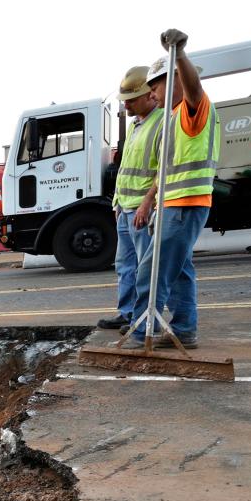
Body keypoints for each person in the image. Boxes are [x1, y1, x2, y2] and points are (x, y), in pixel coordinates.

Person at [126, 28, 218, 350]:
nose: (152, 95)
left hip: (184, 204)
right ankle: (184, 329)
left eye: (156, 86)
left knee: (151, 270)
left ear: (177, 78)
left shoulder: (193, 109)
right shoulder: (175, 116)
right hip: (177, 204)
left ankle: (141, 333)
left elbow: (193, 89)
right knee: (179, 271)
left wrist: (180, 54)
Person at [99, 65, 162, 332]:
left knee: (145, 267)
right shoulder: (137, 126)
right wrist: (116, 203)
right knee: (126, 265)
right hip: (124, 208)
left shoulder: (161, 123)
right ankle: (127, 313)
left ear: (150, 95)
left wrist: (147, 202)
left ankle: (142, 317)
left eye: (132, 100)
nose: (127, 106)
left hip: (140, 209)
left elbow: (163, 169)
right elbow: (126, 169)